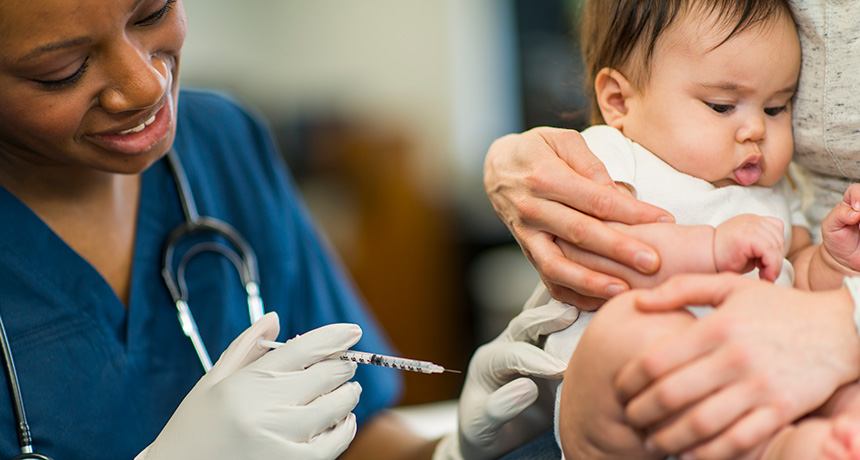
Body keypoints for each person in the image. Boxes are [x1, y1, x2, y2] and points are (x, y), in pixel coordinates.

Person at [0, 1, 578, 459]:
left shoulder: (223, 143)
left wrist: (456, 451)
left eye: (152, 13)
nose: (146, 87)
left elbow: (352, 438)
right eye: (62, 70)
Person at [483, 0, 860, 459]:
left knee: (845, 391)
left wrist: (830, 261)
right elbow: (608, 255)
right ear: (619, 101)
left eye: (778, 107)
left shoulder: (773, 190)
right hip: (623, 401)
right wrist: (714, 248)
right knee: (627, 332)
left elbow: (796, 276)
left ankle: (799, 444)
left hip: (762, 374)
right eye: (722, 106)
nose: (755, 130)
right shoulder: (613, 159)